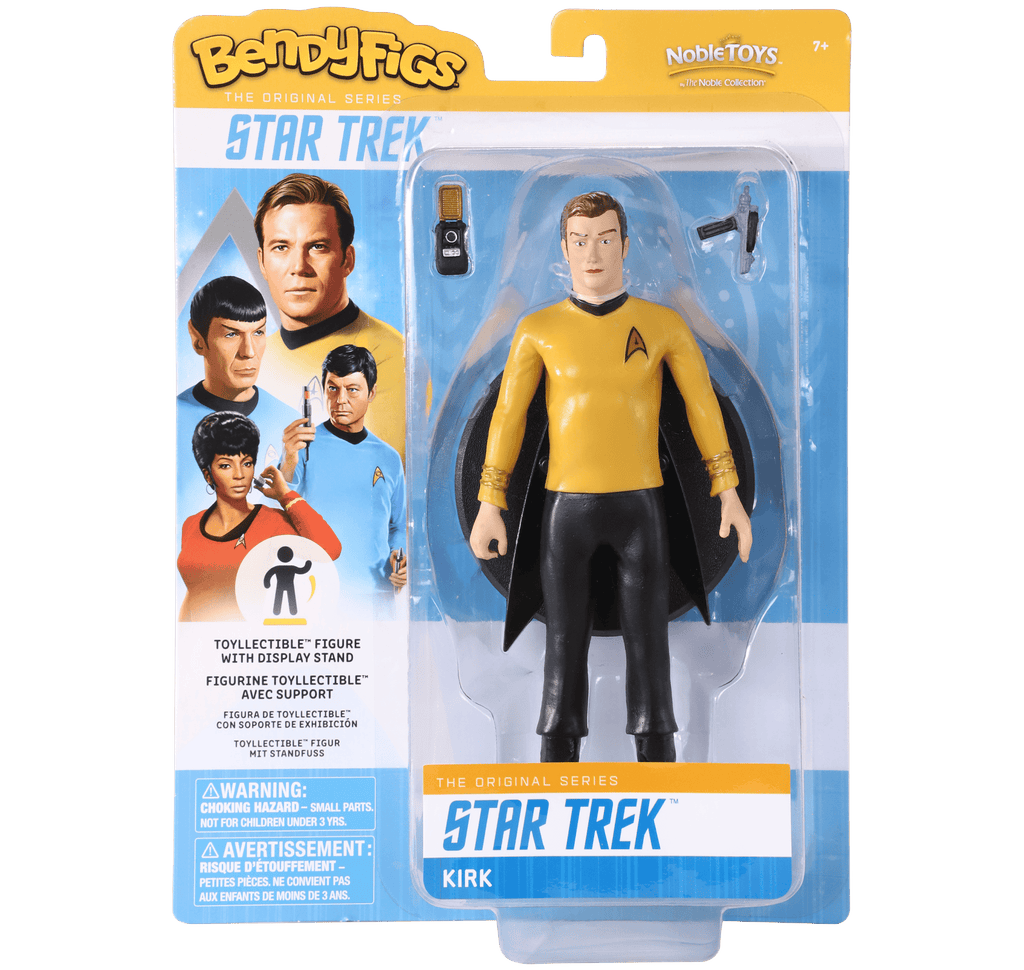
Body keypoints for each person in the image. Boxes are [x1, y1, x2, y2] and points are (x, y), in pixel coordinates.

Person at [469, 191, 753, 763]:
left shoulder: (662, 324)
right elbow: (508, 418)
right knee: (562, 641)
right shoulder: (538, 329)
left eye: (604, 240)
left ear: (624, 246)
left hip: (640, 510)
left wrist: (728, 493)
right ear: (564, 249)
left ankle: (659, 757)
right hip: (565, 511)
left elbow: (703, 407)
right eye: (580, 241)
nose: (592, 253)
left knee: (650, 640)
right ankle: (556, 759)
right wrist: (489, 502)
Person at [254, 173, 407, 462]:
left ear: (347, 260)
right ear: (262, 261)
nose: (298, 267)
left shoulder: (387, 354)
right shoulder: (255, 357)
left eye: (317, 247)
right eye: (281, 247)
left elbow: (376, 479)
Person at [177, 411, 341, 622]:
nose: (239, 475)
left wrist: (285, 495)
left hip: (244, 640)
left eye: (246, 463)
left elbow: (330, 550)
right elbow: (194, 591)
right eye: (226, 465)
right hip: (196, 639)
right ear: (208, 474)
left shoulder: (271, 522)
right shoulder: (191, 524)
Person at [176, 276, 299, 548]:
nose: (249, 351)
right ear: (198, 339)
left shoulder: (292, 425)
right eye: (231, 334)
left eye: (259, 332)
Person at [282, 345, 406, 598]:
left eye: (352, 389)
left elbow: (399, 526)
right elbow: (278, 501)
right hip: (315, 592)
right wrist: (289, 457)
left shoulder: (389, 458)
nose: (340, 400)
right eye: (332, 388)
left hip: (376, 594)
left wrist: (400, 556)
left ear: (371, 393)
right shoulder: (303, 446)